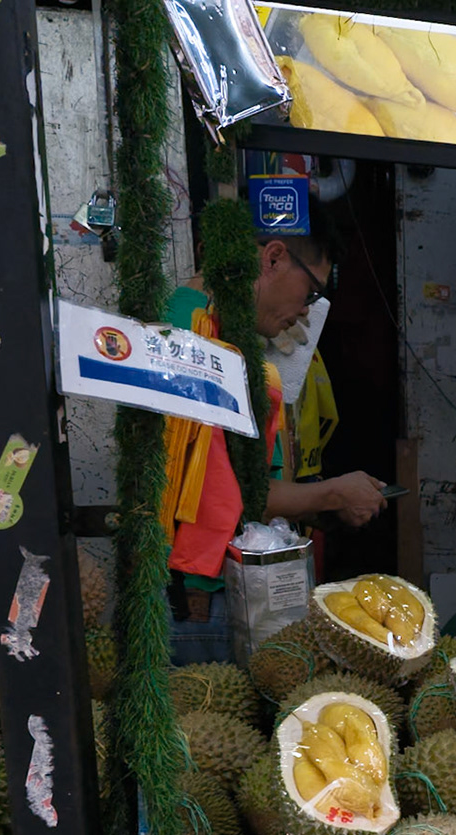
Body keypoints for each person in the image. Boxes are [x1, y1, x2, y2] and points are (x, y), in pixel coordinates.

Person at [165, 230, 389, 663]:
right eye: (311, 292)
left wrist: (327, 504)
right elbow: (236, 498)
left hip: (225, 597)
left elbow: (245, 487)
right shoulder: (194, 338)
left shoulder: (235, 344)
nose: (306, 311)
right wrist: (332, 493)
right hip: (197, 606)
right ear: (273, 258)